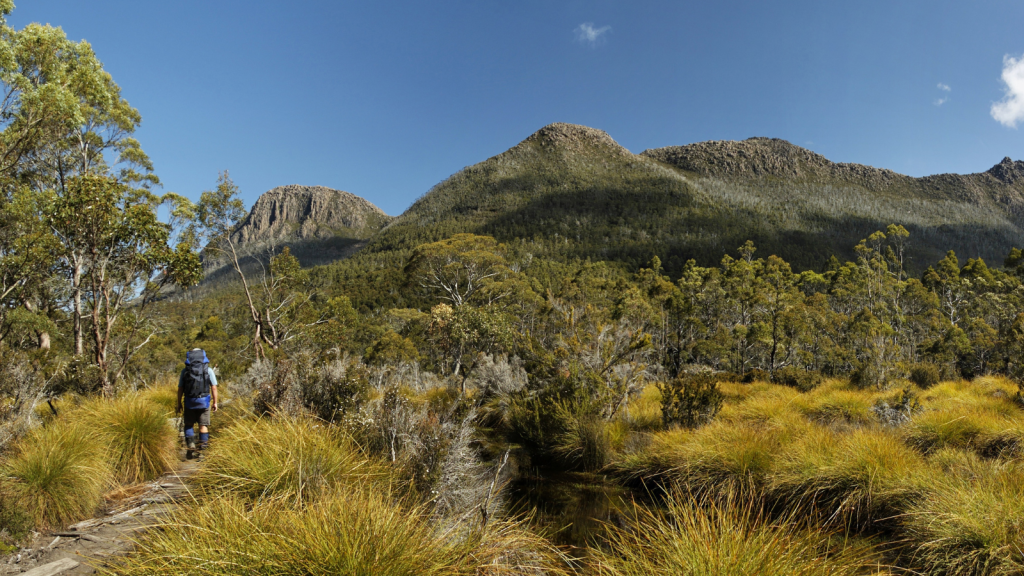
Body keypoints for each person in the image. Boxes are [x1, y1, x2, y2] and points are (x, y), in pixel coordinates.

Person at [175, 348, 219, 459]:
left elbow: (180, 388)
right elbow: (214, 388)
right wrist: (215, 402)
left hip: (189, 401)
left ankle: (191, 446)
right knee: (203, 425)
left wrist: (179, 403)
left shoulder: (185, 371)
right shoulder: (208, 370)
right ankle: (202, 451)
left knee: (188, 424)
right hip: (204, 402)